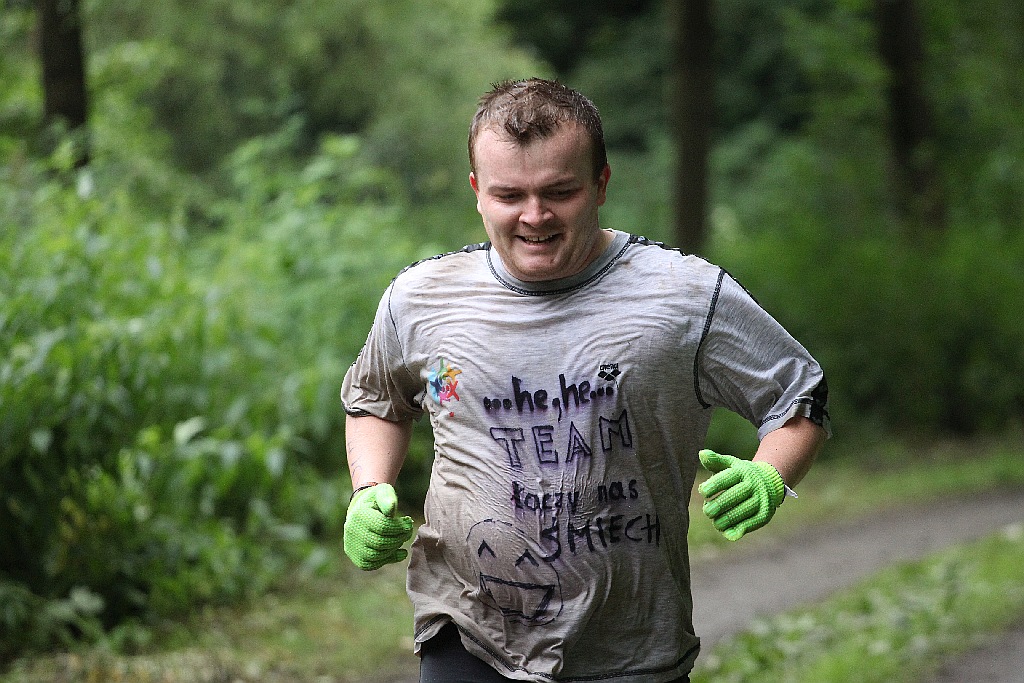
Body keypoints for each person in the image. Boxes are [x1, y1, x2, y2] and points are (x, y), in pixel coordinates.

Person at [340, 78, 830, 683]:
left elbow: (797, 393)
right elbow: (377, 400)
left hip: (628, 648)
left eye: (559, 192)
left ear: (601, 183)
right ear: (477, 192)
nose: (534, 216)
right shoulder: (421, 298)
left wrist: (771, 474)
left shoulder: (683, 295)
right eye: (508, 195)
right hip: (467, 632)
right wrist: (368, 490)